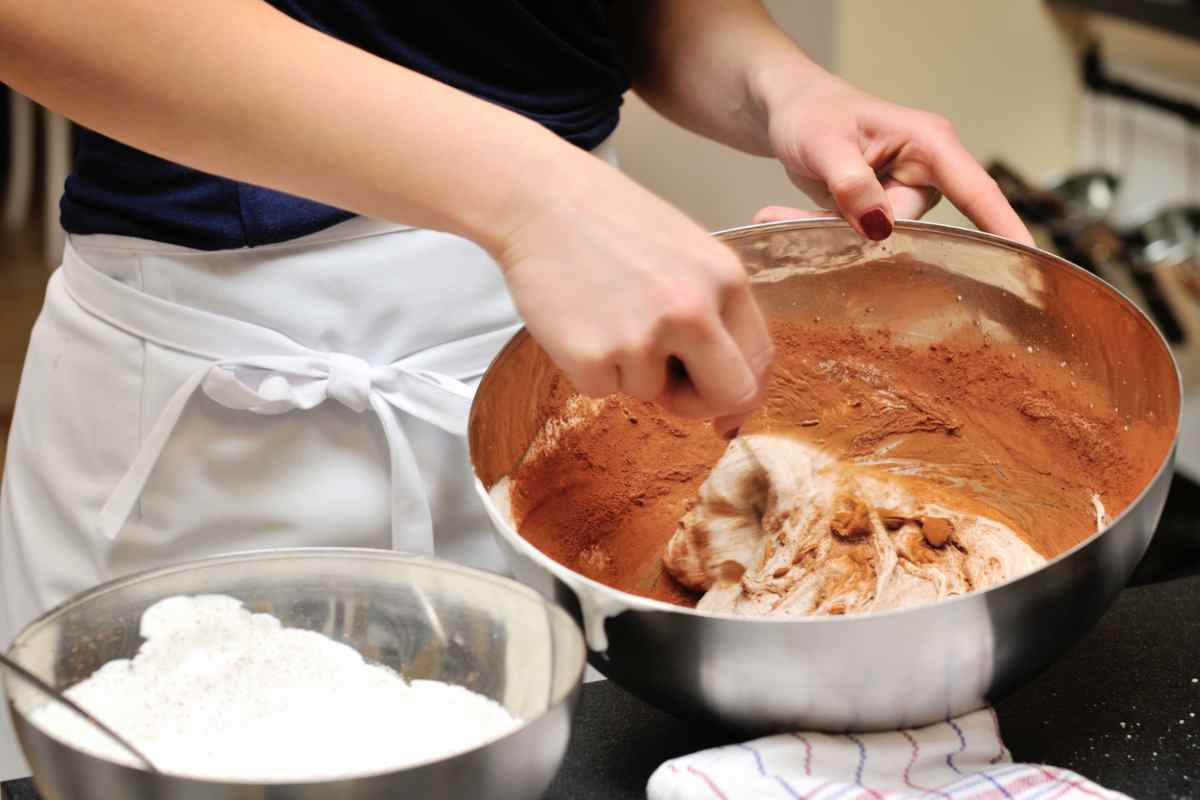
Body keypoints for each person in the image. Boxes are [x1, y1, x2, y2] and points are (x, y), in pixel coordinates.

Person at [0, 0, 1032, 778]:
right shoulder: (535, 205)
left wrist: (779, 85)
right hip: (212, 424)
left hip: (561, 412)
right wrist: (531, 196)